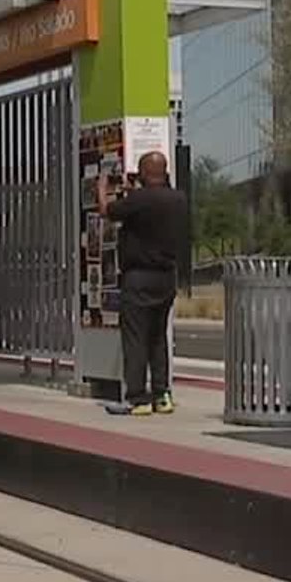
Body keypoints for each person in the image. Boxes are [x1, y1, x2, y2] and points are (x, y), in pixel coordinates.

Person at [95, 149, 188, 416]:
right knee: (158, 338)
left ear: (145, 173)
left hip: (139, 277)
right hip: (166, 277)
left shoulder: (138, 199)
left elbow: (107, 211)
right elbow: (154, 202)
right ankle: (162, 395)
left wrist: (102, 188)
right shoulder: (178, 199)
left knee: (136, 338)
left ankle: (138, 397)